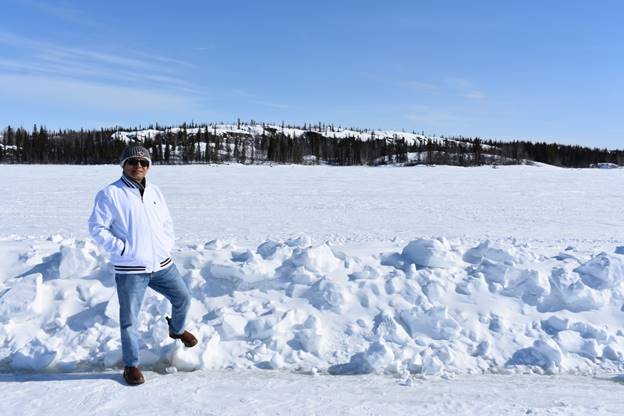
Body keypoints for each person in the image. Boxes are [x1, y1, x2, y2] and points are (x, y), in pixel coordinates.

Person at [88, 144, 198, 385]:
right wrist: (124, 250)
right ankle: (131, 365)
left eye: (144, 162)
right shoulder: (110, 194)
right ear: (123, 165)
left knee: (183, 298)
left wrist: (165, 245)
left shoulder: (155, 192)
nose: (139, 165)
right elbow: (97, 228)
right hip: (131, 269)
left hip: (161, 263)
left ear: (149, 167)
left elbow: (166, 223)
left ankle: (176, 330)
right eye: (133, 161)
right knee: (130, 320)